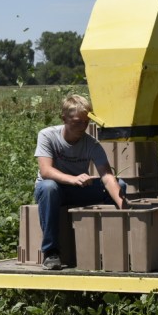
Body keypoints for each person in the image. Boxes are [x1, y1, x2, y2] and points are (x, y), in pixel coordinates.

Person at [34, 94, 127, 270]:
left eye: (86, 122)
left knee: (119, 186)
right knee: (48, 187)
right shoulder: (47, 136)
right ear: (64, 118)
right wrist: (73, 179)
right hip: (55, 190)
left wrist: (123, 205)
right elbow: (46, 171)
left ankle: (111, 245)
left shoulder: (91, 143)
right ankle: (51, 253)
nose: (82, 127)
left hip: (78, 190)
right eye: (77, 122)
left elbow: (107, 176)